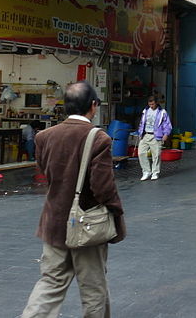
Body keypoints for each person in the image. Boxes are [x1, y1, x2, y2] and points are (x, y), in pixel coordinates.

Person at [21, 81, 125, 318]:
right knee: (93, 288)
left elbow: (46, 172)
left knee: (50, 282)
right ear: (93, 105)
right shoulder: (99, 139)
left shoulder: (44, 137)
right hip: (87, 226)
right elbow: (102, 188)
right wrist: (116, 212)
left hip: (54, 221)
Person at [136, 95, 173, 181]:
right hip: (145, 135)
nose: (151, 106)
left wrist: (166, 134)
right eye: (150, 104)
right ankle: (146, 171)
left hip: (156, 136)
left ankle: (155, 172)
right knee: (141, 153)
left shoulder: (162, 112)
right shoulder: (145, 111)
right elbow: (142, 122)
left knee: (156, 155)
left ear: (156, 103)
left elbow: (167, 124)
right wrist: (140, 132)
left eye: (152, 104)